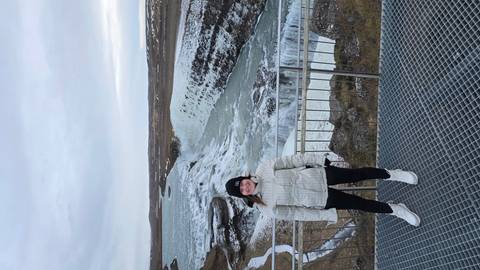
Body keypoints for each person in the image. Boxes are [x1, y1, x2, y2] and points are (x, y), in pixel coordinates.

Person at [225, 153, 420, 226]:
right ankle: (395, 209)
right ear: (245, 195)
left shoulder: (264, 168)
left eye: (242, 183)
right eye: (242, 190)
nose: (245, 186)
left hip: (320, 175)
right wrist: (324, 216)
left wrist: (317, 159)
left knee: (357, 174)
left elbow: (293, 160)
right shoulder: (266, 208)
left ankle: (393, 174)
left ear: (244, 178)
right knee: (360, 204)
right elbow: (298, 214)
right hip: (320, 200)